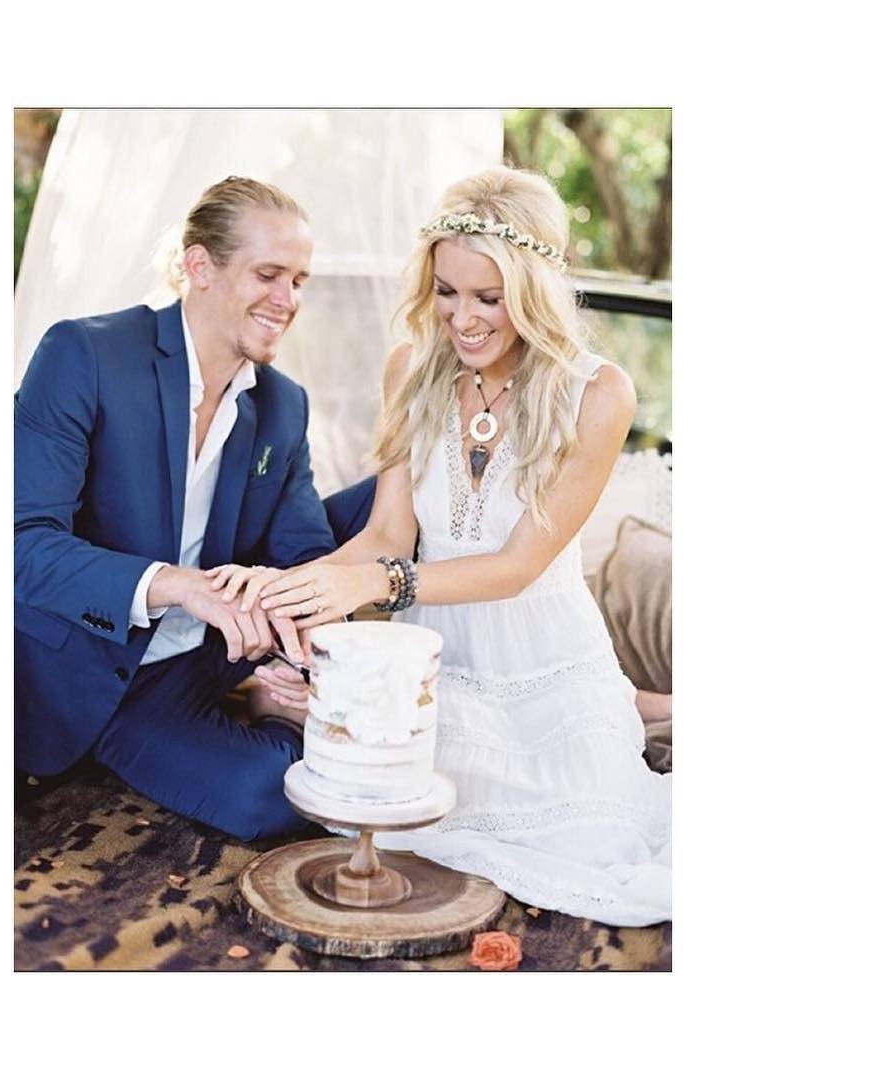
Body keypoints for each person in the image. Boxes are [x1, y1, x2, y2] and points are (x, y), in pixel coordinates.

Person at [212, 166, 672, 925]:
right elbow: (387, 535)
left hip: (546, 661)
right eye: (447, 292)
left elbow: (518, 567)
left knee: (594, 847)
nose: (462, 319)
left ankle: (632, 706)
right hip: (433, 661)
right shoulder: (411, 368)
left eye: (488, 297)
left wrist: (376, 585)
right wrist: (278, 585)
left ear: (534, 291)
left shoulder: (597, 392)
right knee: (397, 822)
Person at [15, 176, 330, 841]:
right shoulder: (84, 355)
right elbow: (21, 542)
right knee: (278, 795)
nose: (288, 300)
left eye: (298, 280)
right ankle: (271, 715)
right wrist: (180, 586)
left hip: (215, 651)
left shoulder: (283, 404)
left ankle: (276, 688)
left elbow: (306, 552)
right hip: (103, 669)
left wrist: (301, 641)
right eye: (268, 275)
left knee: (384, 510)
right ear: (199, 266)